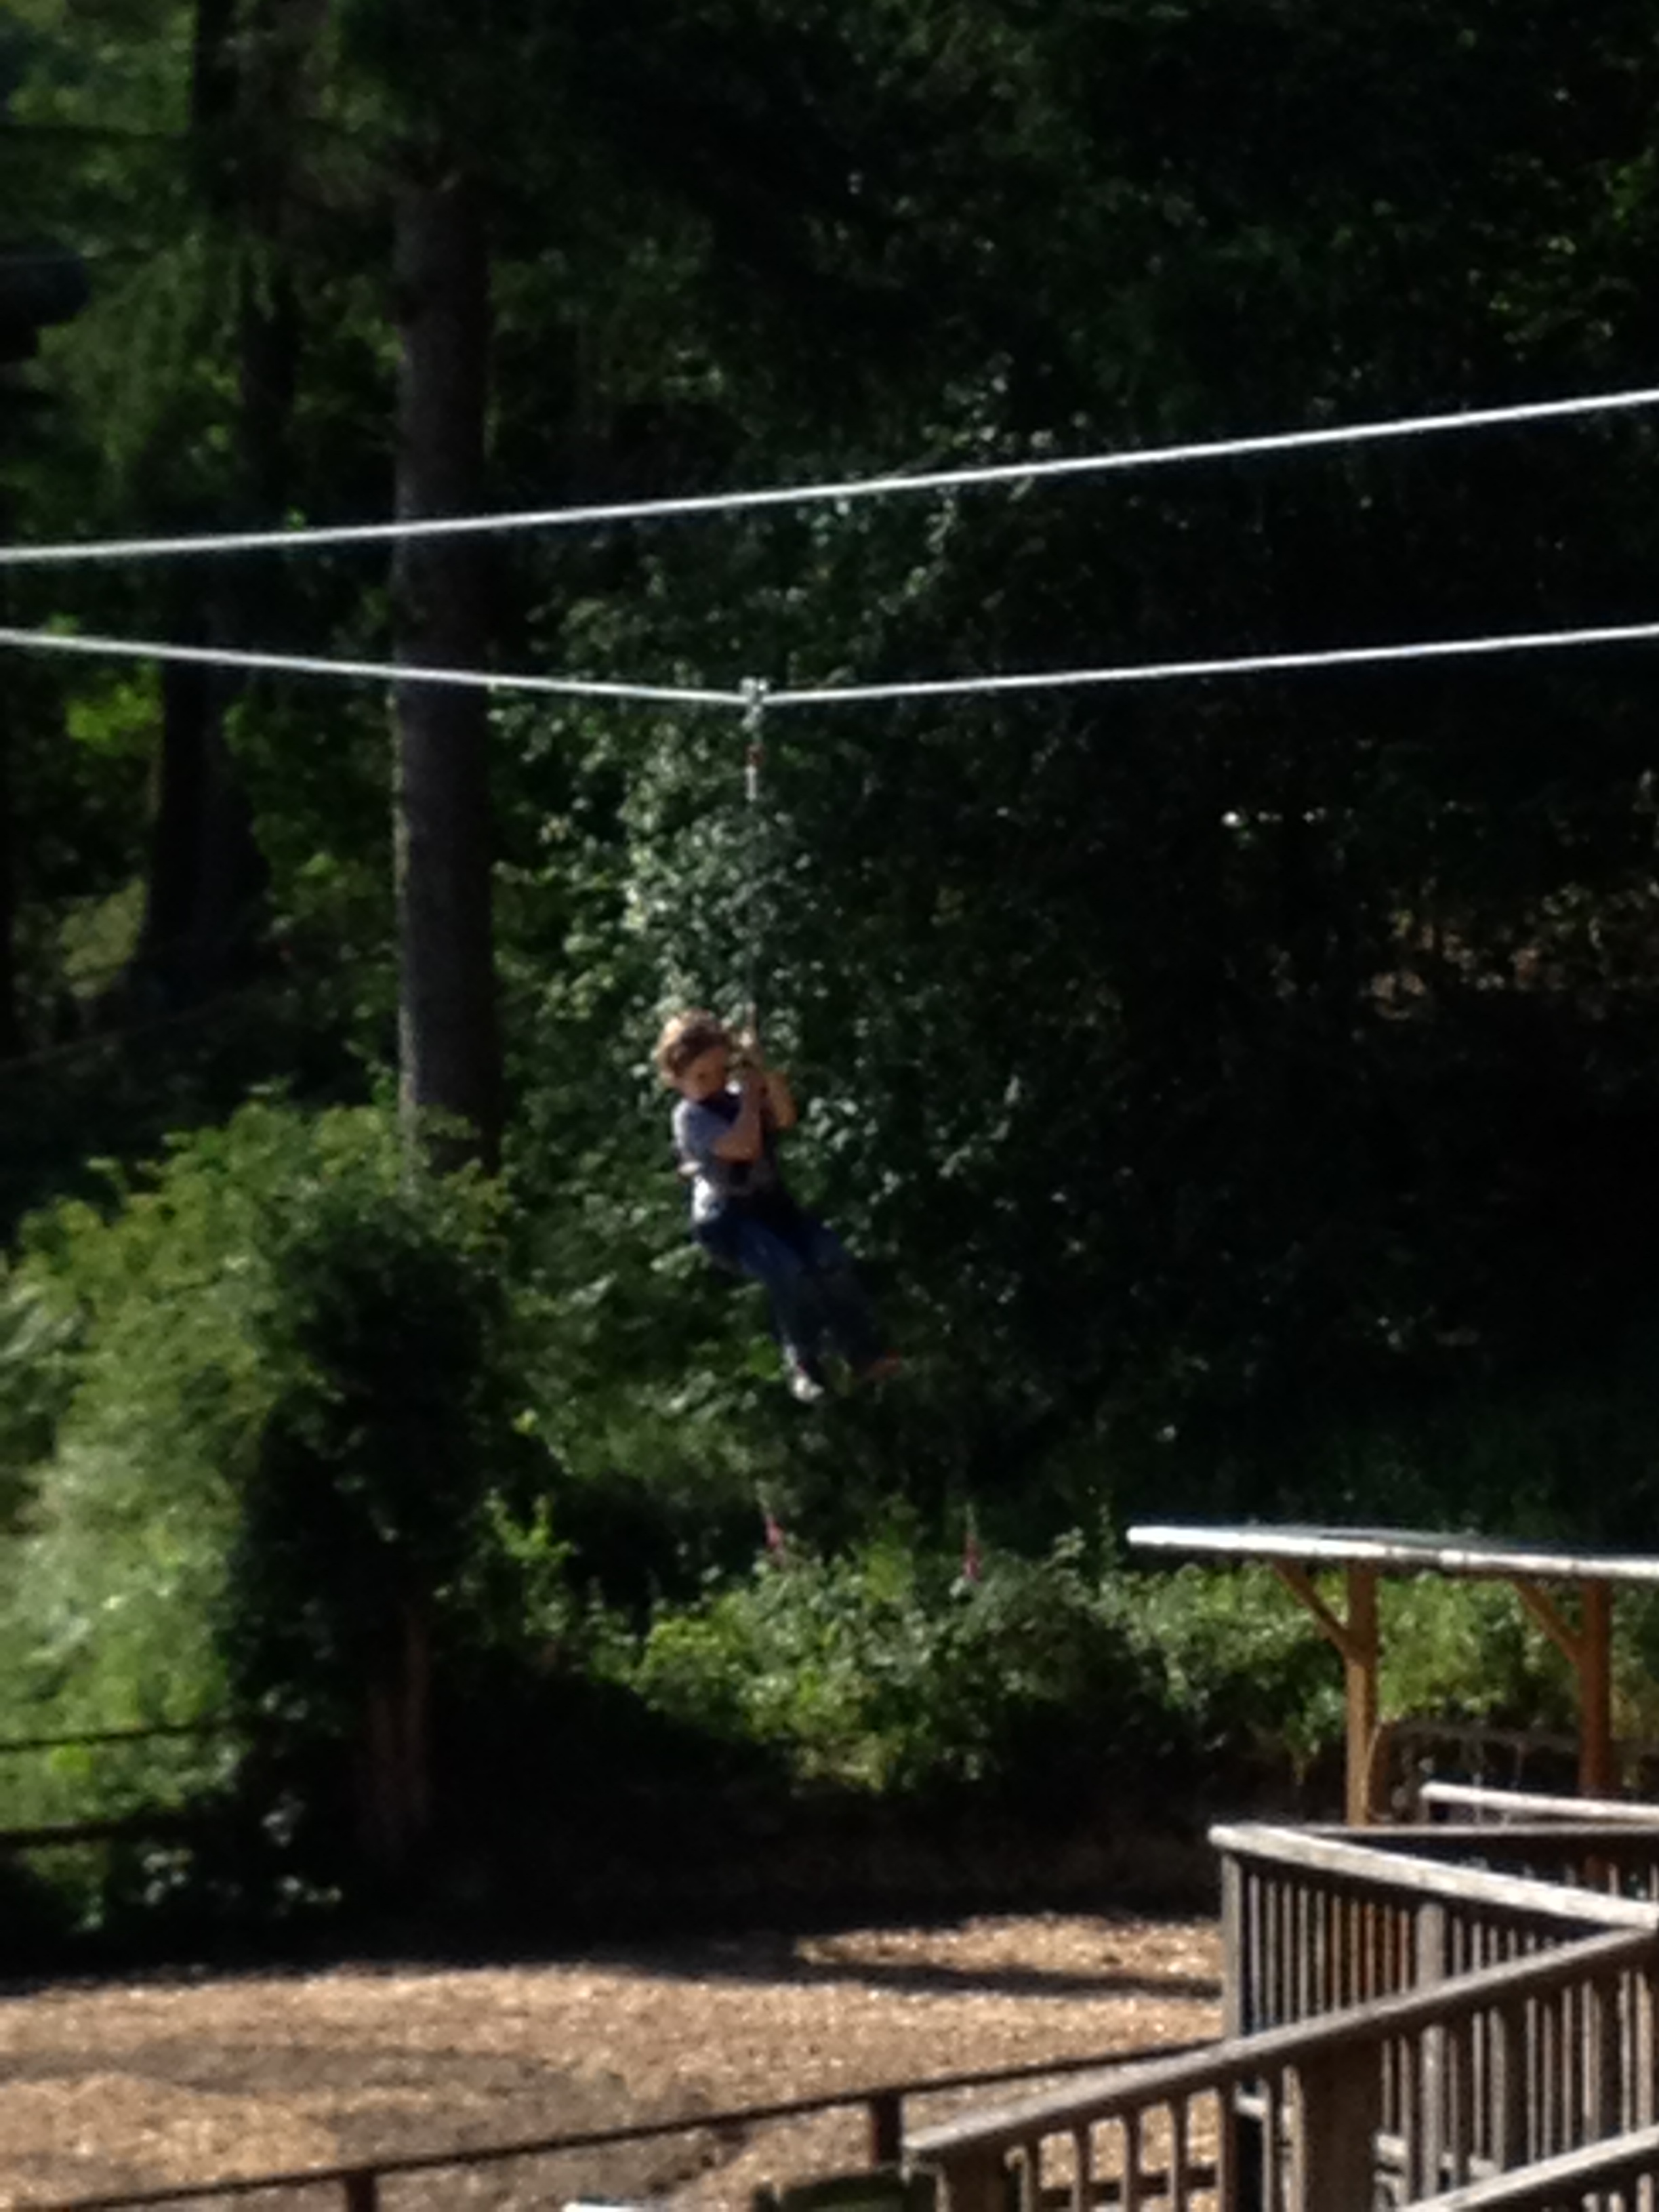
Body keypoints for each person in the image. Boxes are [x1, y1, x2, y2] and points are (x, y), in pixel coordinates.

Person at [655, 1009, 898, 1401]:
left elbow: (784, 1117)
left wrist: (762, 1071)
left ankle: (862, 1352)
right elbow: (745, 1146)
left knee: (829, 1257)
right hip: (729, 1220)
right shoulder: (691, 1117)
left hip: (771, 1205)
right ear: (678, 1078)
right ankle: (804, 1364)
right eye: (700, 1077)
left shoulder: (739, 1096)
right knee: (789, 1271)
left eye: (719, 1071)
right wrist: (751, 1098)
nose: (713, 1083)